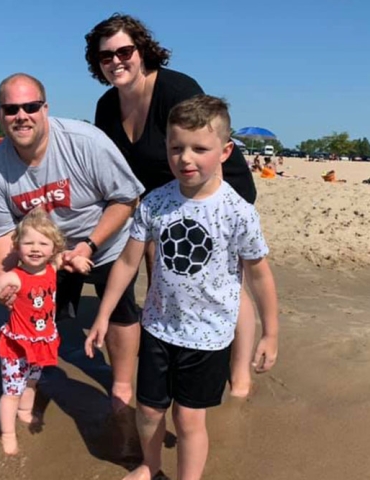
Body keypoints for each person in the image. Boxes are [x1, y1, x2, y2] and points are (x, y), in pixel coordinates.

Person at [85, 95, 279, 480]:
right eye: (176, 148)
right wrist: (103, 315)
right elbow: (126, 262)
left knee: (188, 419)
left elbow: (259, 275)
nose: (185, 158)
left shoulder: (238, 211)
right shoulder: (155, 203)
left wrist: (271, 333)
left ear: (224, 152)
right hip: (158, 327)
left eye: (199, 149)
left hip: (208, 337)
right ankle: (149, 465)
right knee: (150, 410)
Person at [85, 13, 259, 397]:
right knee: (163, 276)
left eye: (124, 51)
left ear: (142, 50)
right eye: (105, 56)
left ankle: (240, 369)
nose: (116, 61)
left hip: (217, 189)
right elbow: (109, 169)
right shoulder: (105, 107)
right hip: (160, 201)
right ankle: (171, 349)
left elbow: (204, 142)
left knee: (226, 282)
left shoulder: (176, 89)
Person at [0, 73, 145, 412]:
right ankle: (29, 381)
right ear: (0, 115)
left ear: (45, 108)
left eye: (30, 106)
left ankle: (122, 385)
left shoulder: (85, 142)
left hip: (104, 243)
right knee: (37, 312)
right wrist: (8, 282)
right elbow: (1, 233)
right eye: (11, 109)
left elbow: (127, 199)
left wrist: (89, 246)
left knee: (120, 311)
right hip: (43, 255)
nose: (21, 115)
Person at [0, 208, 92, 455]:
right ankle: (7, 434)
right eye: (28, 242)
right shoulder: (13, 278)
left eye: (43, 243)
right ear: (17, 247)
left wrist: (78, 259)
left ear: (53, 248)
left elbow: (67, 257)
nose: (35, 248)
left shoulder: (52, 266)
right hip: (16, 346)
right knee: (11, 392)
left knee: (32, 381)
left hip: (42, 342)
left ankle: (26, 412)